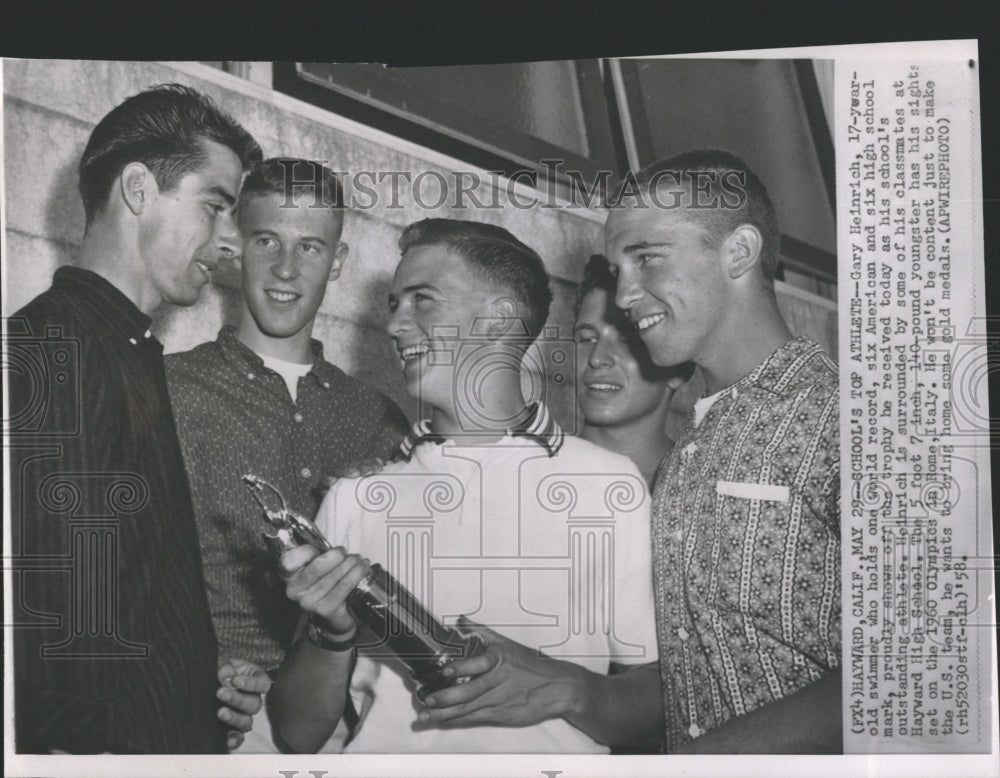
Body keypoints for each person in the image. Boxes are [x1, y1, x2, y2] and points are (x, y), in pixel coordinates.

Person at [269, 218, 663, 753]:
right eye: (393, 304)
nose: (395, 324)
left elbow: (650, 708)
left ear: (497, 319)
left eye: (421, 300)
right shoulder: (355, 497)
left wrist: (564, 689)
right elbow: (296, 733)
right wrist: (331, 635)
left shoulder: (607, 486)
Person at [8, 83, 265, 753]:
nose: (231, 242)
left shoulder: (125, 350)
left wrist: (193, 671)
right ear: (139, 189)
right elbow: (59, 654)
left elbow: (126, 595)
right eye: (216, 206)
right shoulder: (53, 351)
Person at [165, 157, 409, 752]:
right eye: (267, 239)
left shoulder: (378, 418)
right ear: (236, 246)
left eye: (310, 247)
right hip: (203, 716)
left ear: (339, 261)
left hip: (342, 724)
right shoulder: (166, 389)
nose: (285, 268)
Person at [605, 149, 841, 753]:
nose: (625, 296)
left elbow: (914, 664)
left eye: (647, 260)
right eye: (617, 272)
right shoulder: (687, 453)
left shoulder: (846, 415)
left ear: (738, 252)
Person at [573, 254, 692, 488]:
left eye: (627, 341)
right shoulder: (528, 473)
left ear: (679, 369)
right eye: (586, 339)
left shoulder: (696, 488)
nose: (597, 358)